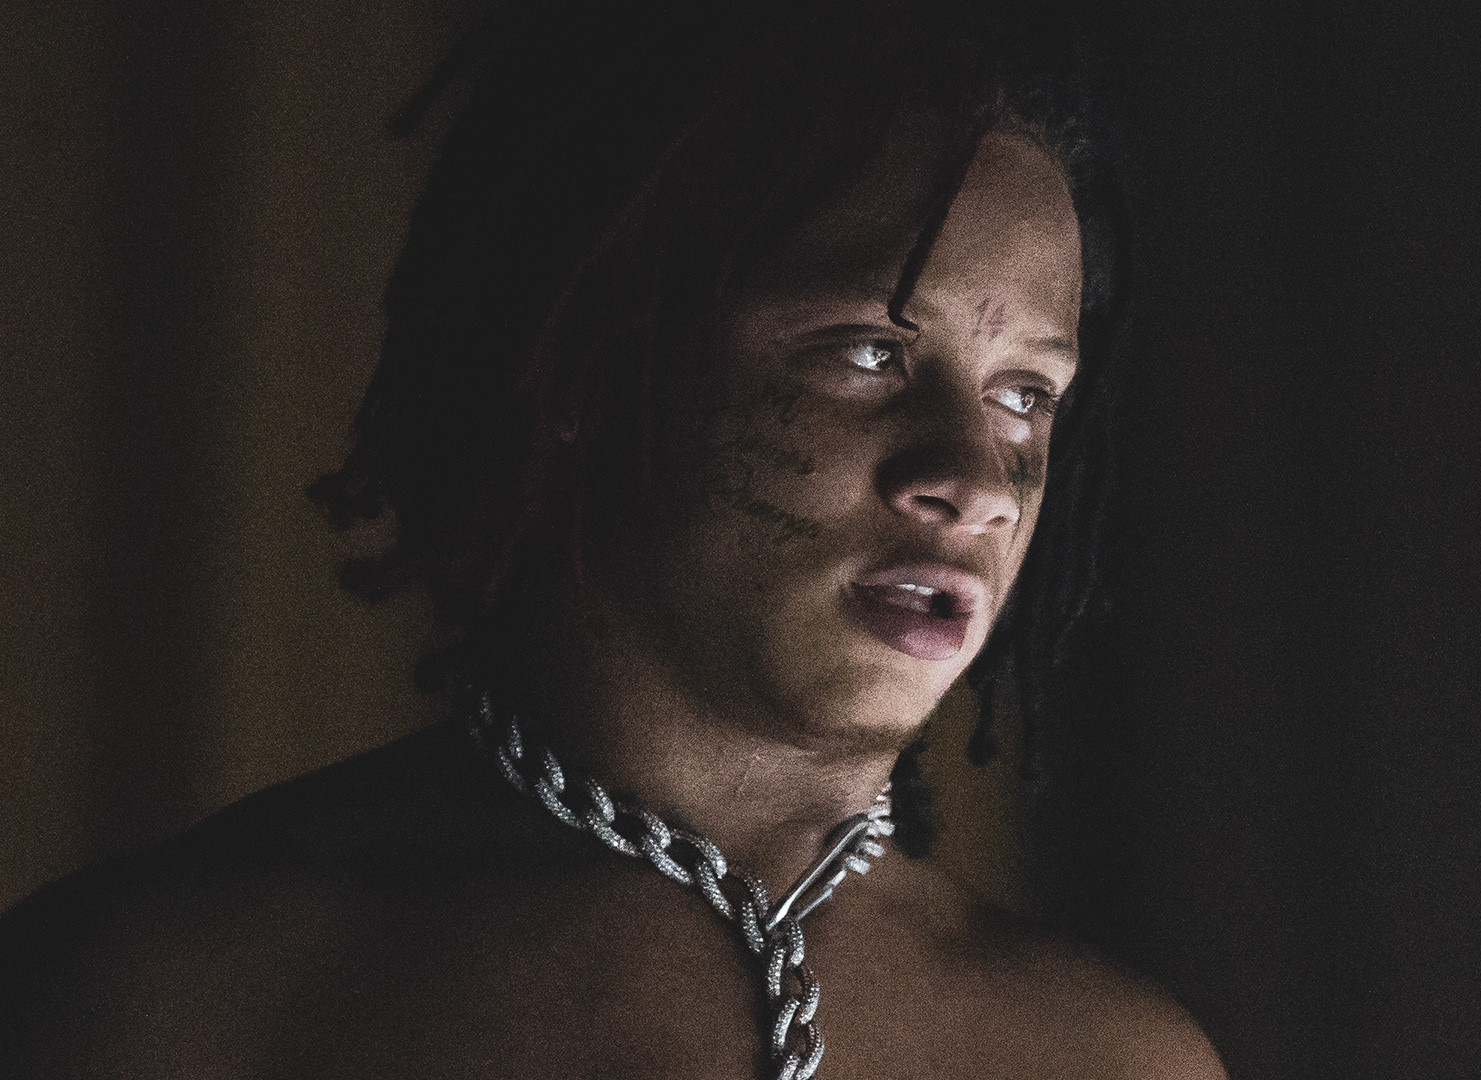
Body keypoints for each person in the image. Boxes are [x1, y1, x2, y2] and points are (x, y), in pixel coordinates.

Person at [0, 1, 1227, 1076]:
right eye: (868, 353)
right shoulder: (168, 1003)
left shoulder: (1117, 1059)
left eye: (1025, 394)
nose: (975, 482)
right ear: (598, 356)